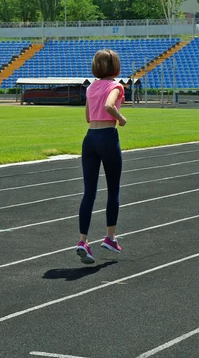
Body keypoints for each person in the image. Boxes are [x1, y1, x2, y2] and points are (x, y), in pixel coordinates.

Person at [76, 49, 127, 264]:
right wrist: (122, 119)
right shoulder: (116, 86)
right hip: (107, 136)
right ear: (115, 66)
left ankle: (82, 240)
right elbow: (108, 105)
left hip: (90, 139)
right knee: (113, 188)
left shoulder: (90, 87)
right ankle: (110, 237)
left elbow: (88, 117)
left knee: (89, 192)